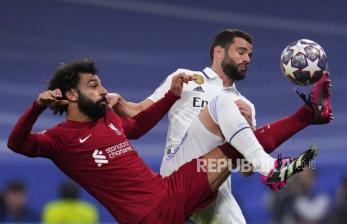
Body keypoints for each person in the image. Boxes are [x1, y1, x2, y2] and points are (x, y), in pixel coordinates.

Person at [7, 59, 315, 223]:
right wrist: (36, 107)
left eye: (100, 84)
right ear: (72, 95)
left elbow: (138, 127)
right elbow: (17, 144)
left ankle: (307, 116)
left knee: (230, 149)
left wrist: (171, 95)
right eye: (93, 86)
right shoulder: (59, 140)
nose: (103, 91)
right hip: (148, 218)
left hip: (169, 191)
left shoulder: (106, 117)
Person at [110, 29, 332, 223]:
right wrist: (118, 102)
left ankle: (282, 150)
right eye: (241, 51)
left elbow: (246, 171)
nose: (247, 59)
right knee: (222, 102)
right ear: (219, 52)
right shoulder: (187, 79)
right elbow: (139, 112)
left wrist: (247, 123)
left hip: (215, 184)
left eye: (250, 54)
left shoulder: (246, 106)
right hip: (178, 170)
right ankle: (273, 166)